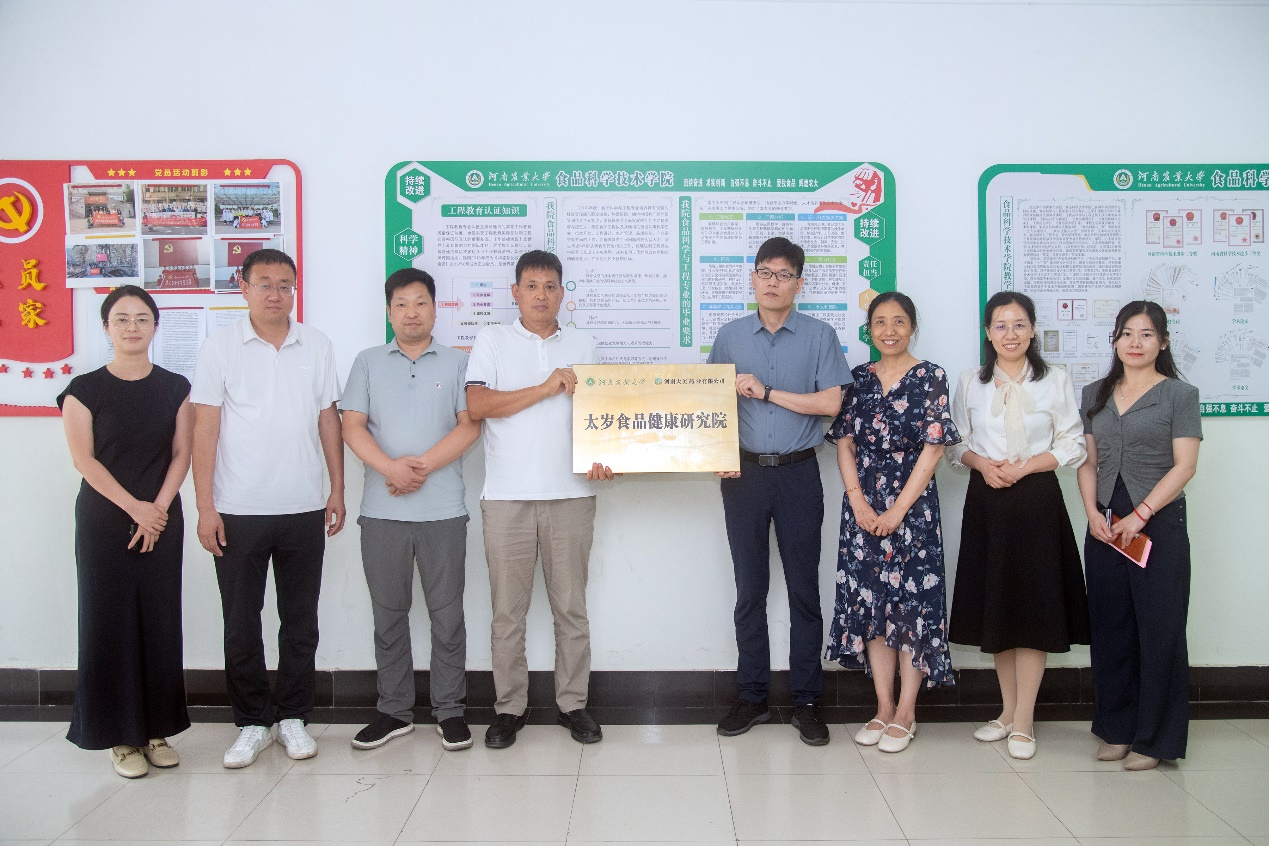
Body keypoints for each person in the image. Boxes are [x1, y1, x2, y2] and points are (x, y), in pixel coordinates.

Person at [191, 248, 345, 768]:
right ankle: (253, 722)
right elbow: (204, 428)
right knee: (241, 621)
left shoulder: (316, 345)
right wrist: (205, 506)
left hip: (303, 506)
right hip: (237, 508)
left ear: (294, 289)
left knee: (300, 621)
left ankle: (293, 716)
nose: (275, 294)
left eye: (284, 285)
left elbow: (328, 419)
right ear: (243, 287)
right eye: (264, 283)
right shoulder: (219, 347)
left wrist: (336, 489)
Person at [465, 249, 614, 749]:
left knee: (571, 609)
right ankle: (509, 708)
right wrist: (546, 387)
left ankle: (573, 704)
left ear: (562, 293)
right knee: (507, 614)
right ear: (515, 292)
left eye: (550, 286)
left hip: (571, 494)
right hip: (506, 497)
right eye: (531, 286)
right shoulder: (492, 340)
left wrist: (606, 455)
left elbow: (602, 414)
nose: (541, 295)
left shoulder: (584, 344)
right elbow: (478, 404)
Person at [706, 236, 852, 746]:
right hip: (743, 476)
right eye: (765, 273)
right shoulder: (729, 337)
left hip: (798, 474)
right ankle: (752, 697)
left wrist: (767, 393)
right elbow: (710, 406)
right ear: (752, 278)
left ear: (799, 283)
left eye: (783, 274)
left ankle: (807, 701)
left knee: (803, 590)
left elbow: (831, 403)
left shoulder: (819, 335)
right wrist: (717, 453)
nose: (773, 282)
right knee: (750, 591)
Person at [341, 268, 481, 752]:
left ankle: (450, 711)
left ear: (435, 309)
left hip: (443, 511)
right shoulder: (367, 362)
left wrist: (418, 469)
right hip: (383, 512)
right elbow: (352, 426)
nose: (411, 312)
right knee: (388, 616)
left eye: (421, 302)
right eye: (401, 304)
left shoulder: (459, 362)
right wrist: (390, 470)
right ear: (389, 312)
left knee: (448, 616)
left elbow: (470, 426)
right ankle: (393, 711)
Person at [58, 286, 193, 779]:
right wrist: (135, 507)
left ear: (155, 326)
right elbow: (84, 460)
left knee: (159, 620)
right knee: (108, 621)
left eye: (141, 318)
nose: (132, 326)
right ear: (106, 328)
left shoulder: (176, 387)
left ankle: (156, 730)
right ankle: (119, 736)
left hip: (162, 518)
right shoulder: (84, 389)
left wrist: (157, 509)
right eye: (122, 318)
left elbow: (182, 454)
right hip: (106, 519)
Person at [948, 291, 1089, 760]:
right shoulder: (971, 381)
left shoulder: (1056, 380)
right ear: (988, 333)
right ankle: (1007, 712)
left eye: (1019, 325)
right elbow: (955, 444)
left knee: (1033, 608)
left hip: (1036, 500)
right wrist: (982, 465)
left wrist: (1024, 467)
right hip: (987, 499)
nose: (1010, 334)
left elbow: (1072, 443)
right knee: (998, 606)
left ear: (1032, 331)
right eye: (1001, 325)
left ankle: (1025, 720)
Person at [826, 292, 959, 753]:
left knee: (910, 607)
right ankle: (882, 707)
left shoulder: (931, 376)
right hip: (862, 507)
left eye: (899, 321)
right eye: (880, 322)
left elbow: (934, 448)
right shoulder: (858, 378)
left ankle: (906, 711)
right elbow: (845, 442)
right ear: (869, 329)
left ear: (912, 327)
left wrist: (898, 510)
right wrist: (858, 502)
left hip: (913, 509)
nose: (889, 330)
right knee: (872, 605)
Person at [1077, 301, 1201, 770]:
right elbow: (1089, 462)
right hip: (1106, 525)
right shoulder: (1095, 393)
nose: (1135, 342)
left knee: (1159, 628)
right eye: (1127, 333)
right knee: (1111, 627)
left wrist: (1142, 514)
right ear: (1114, 340)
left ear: (1163, 342)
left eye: (1147, 334)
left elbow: (1185, 465)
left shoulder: (1179, 395)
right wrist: (1092, 512)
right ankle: (1117, 729)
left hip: (1158, 524)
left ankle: (1155, 739)